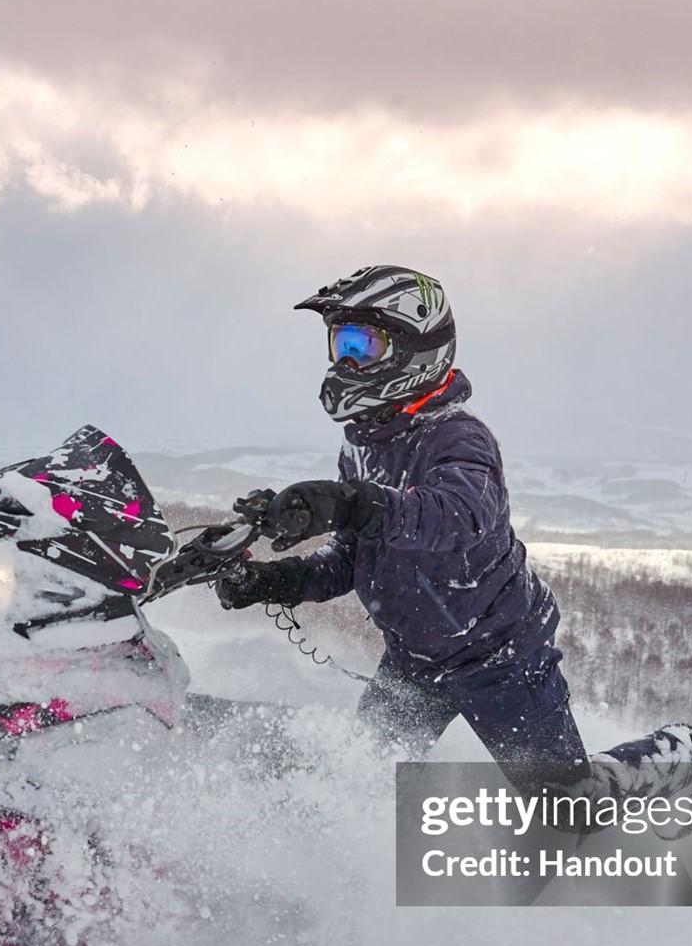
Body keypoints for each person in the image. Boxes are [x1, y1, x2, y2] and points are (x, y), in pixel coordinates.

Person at [216, 264, 599, 777]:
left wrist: (351, 502)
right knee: (364, 777)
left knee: (567, 809)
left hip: (499, 656)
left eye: (364, 346)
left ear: (414, 349)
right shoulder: (363, 445)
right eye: (341, 344)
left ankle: (664, 758)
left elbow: (458, 516)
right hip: (415, 659)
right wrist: (277, 581)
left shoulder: (458, 437)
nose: (348, 360)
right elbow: (353, 558)